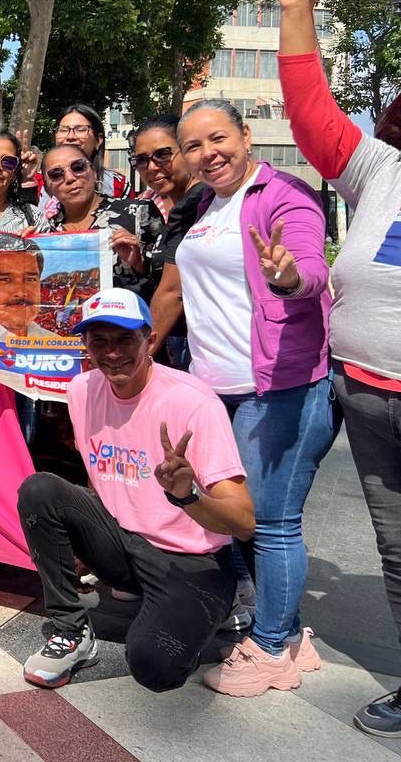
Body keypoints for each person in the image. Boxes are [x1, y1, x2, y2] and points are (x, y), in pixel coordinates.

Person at [172, 95, 333, 697]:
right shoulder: (207, 205)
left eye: (218, 139)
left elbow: (308, 267)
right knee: (237, 525)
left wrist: (287, 277)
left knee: (270, 523)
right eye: (194, 146)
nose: (208, 154)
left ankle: (267, 651)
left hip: (281, 386)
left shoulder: (283, 194)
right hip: (218, 390)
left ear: (246, 135)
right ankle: (288, 636)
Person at [278, 0, 401, 735]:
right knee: (399, 560)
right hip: (368, 393)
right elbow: (313, 111)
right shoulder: (382, 168)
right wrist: (296, 7)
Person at [17, 288, 254, 690]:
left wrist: (188, 495)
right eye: (99, 341)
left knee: (154, 669)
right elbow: (99, 472)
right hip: (126, 543)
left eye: (125, 339)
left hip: (190, 559)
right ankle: (72, 631)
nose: (112, 353)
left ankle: (214, 605)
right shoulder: (81, 390)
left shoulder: (193, 402)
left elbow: (245, 522)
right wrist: (87, 541)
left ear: (150, 339)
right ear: (86, 346)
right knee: (40, 489)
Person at [41, 145, 164, 304]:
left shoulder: (139, 213)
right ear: (47, 187)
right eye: (56, 174)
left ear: (93, 171)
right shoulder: (45, 232)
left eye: (78, 167)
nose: (70, 178)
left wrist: (139, 264)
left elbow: (170, 286)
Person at [133, 116, 204, 371]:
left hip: (194, 348)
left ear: (187, 150)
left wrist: (137, 359)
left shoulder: (196, 203)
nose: (152, 167)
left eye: (163, 154)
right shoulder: (178, 205)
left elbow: (174, 292)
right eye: (141, 159)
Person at [52, 103, 129, 202]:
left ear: (98, 140)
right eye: (63, 130)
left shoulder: (117, 185)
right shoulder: (41, 183)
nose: (70, 137)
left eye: (80, 129)